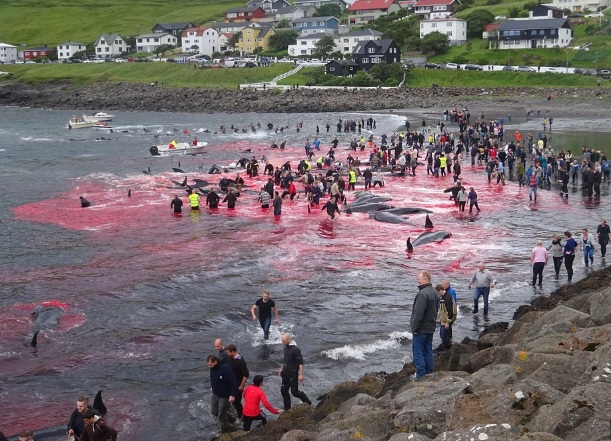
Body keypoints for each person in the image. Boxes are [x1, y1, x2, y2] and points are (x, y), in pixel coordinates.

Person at [410, 270, 437, 379]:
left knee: (418, 352)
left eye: (419, 279)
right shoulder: (435, 292)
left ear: (425, 279)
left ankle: (420, 375)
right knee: (428, 350)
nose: (418, 281)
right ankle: (429, 372)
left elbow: (418, 313)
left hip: (421, 328)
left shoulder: (422, 294)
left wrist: (414, 327)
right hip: (430, 326)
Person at [279, 333, 311, 410]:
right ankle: (287, 408)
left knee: (294, 392)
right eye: (282, 341)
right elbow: (286, 360)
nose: (282, 343)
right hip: (285, 372)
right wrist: (281, 368)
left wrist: (301, 374)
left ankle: (308, 403)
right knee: (283, 390)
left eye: (284, 341)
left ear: (288, 339)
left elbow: (300, 363)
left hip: (293, 373)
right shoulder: (285, 348)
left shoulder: (295, 349)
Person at [207, 354, 238, 431]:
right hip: (215, 393)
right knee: (214, 411)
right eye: (208, 364)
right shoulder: (211, 368)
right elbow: (212, 378)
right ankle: (231, 418)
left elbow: (234, 382)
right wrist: (212, 387)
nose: (209, 366)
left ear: (215, 362)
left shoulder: (225, 369)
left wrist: (232, 395)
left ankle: (225, 428)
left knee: (222, 414)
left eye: (210, 364)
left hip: (224, 395)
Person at [225, 344, 249, 419]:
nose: (227, 354)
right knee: (228, 398)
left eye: (228, 352)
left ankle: (241, 415)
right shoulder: (229, 358)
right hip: (230, 383)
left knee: (237, 401)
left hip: (238, 384)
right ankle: (229, 411)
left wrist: (242, 385)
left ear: (233, 352)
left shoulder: (240, 361)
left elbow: (246, 374)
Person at [435, 283, 457, 352]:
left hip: (447, 319)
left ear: (440, 290)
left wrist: (448, 322)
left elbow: (450, 311)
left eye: (438, 293)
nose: (438, 294)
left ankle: (447, 347)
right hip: (444, 319)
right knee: (446, 334)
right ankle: (447, 345)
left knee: (443, 334)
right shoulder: (443, 296)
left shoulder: (447, 298)